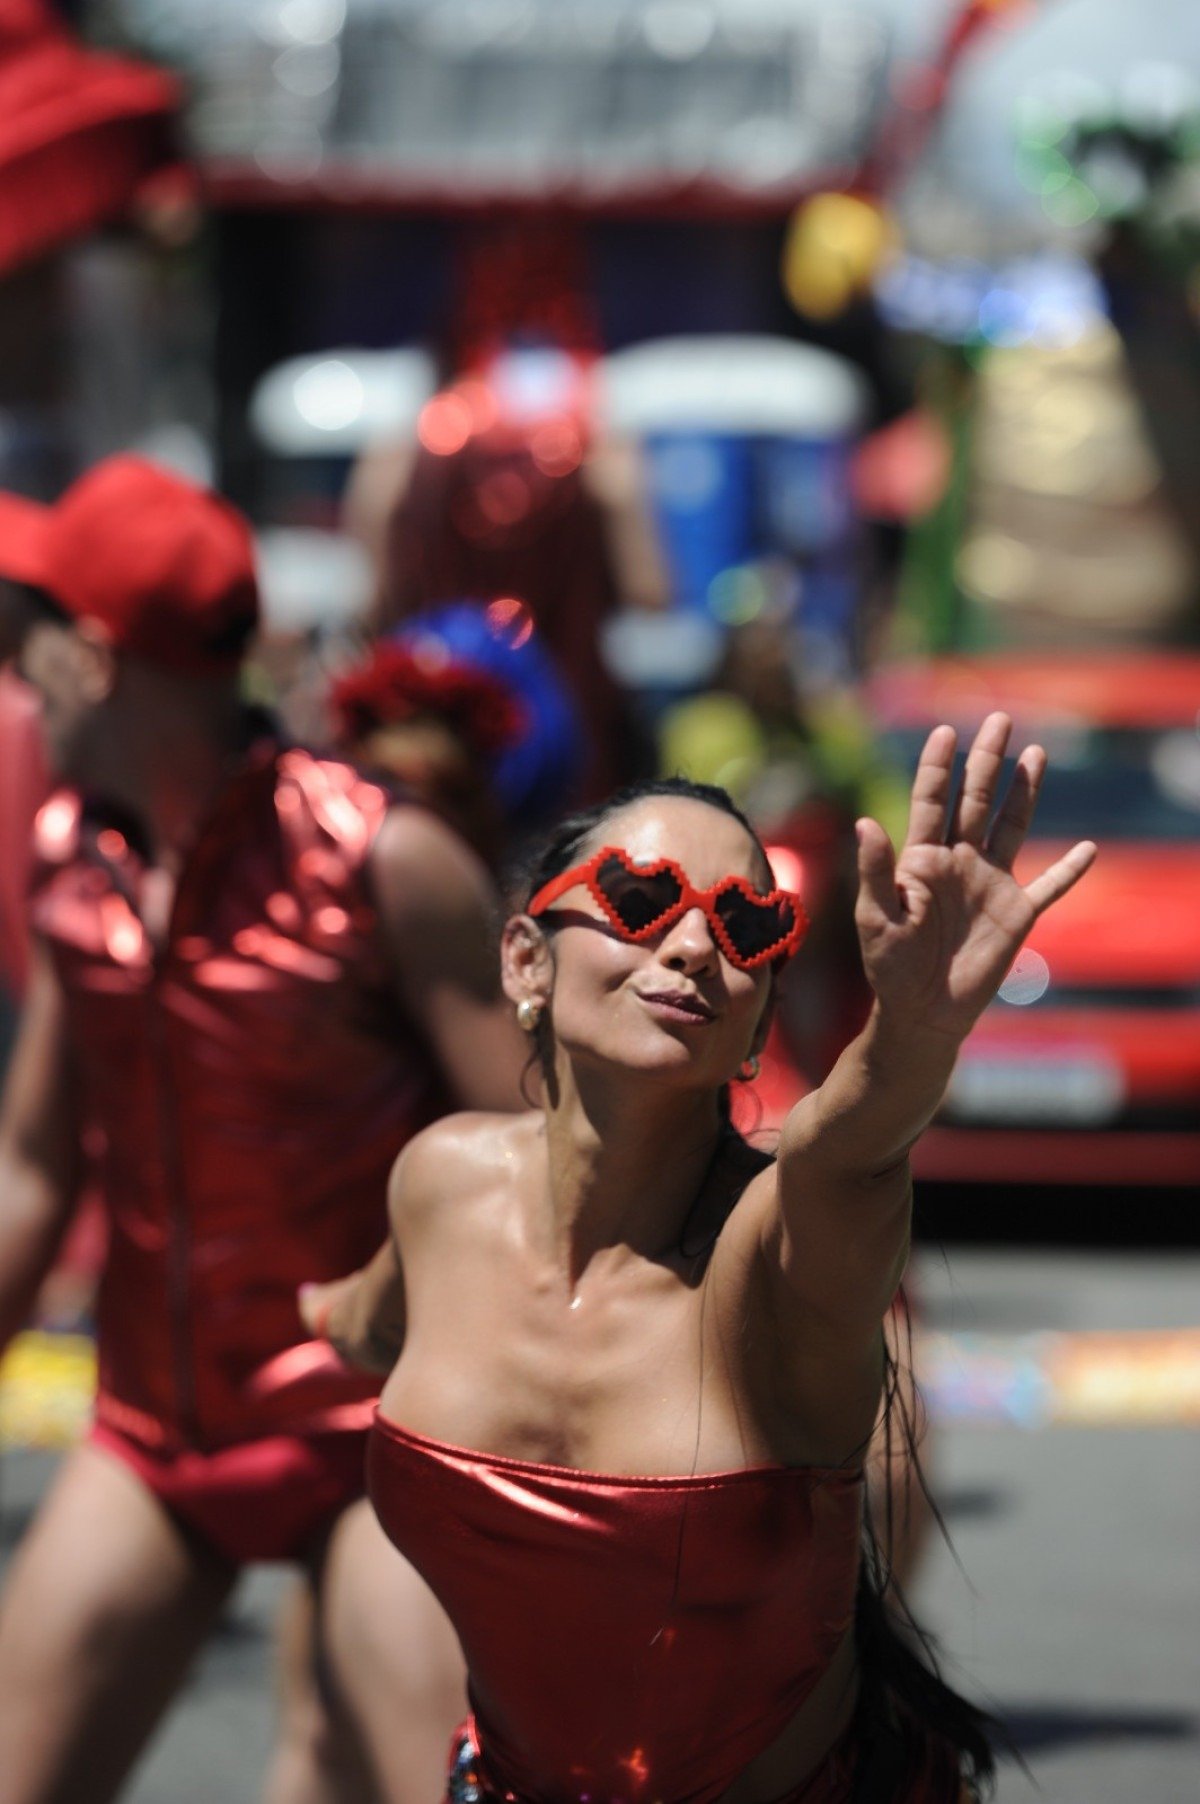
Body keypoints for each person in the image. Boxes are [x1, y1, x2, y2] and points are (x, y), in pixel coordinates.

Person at [300, 722, 1095, 1800]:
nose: (691, 944)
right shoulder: (443, 1180)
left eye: (746, 926)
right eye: (640, 897)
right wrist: (298, 1314)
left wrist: (914, 1035)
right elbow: (366, 1316)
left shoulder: (775, 1255)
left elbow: (850, 1148)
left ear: (759, 1026)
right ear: (526, 959)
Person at [0, 454, 526, 1804]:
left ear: (92, 660)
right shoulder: (71, 859)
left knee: (440, 1788)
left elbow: (538, 1156)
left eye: (25, 644)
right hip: (155, 1432)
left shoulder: (383, 857)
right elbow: (33, 1168)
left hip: (375, 1439)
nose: (14, 683)